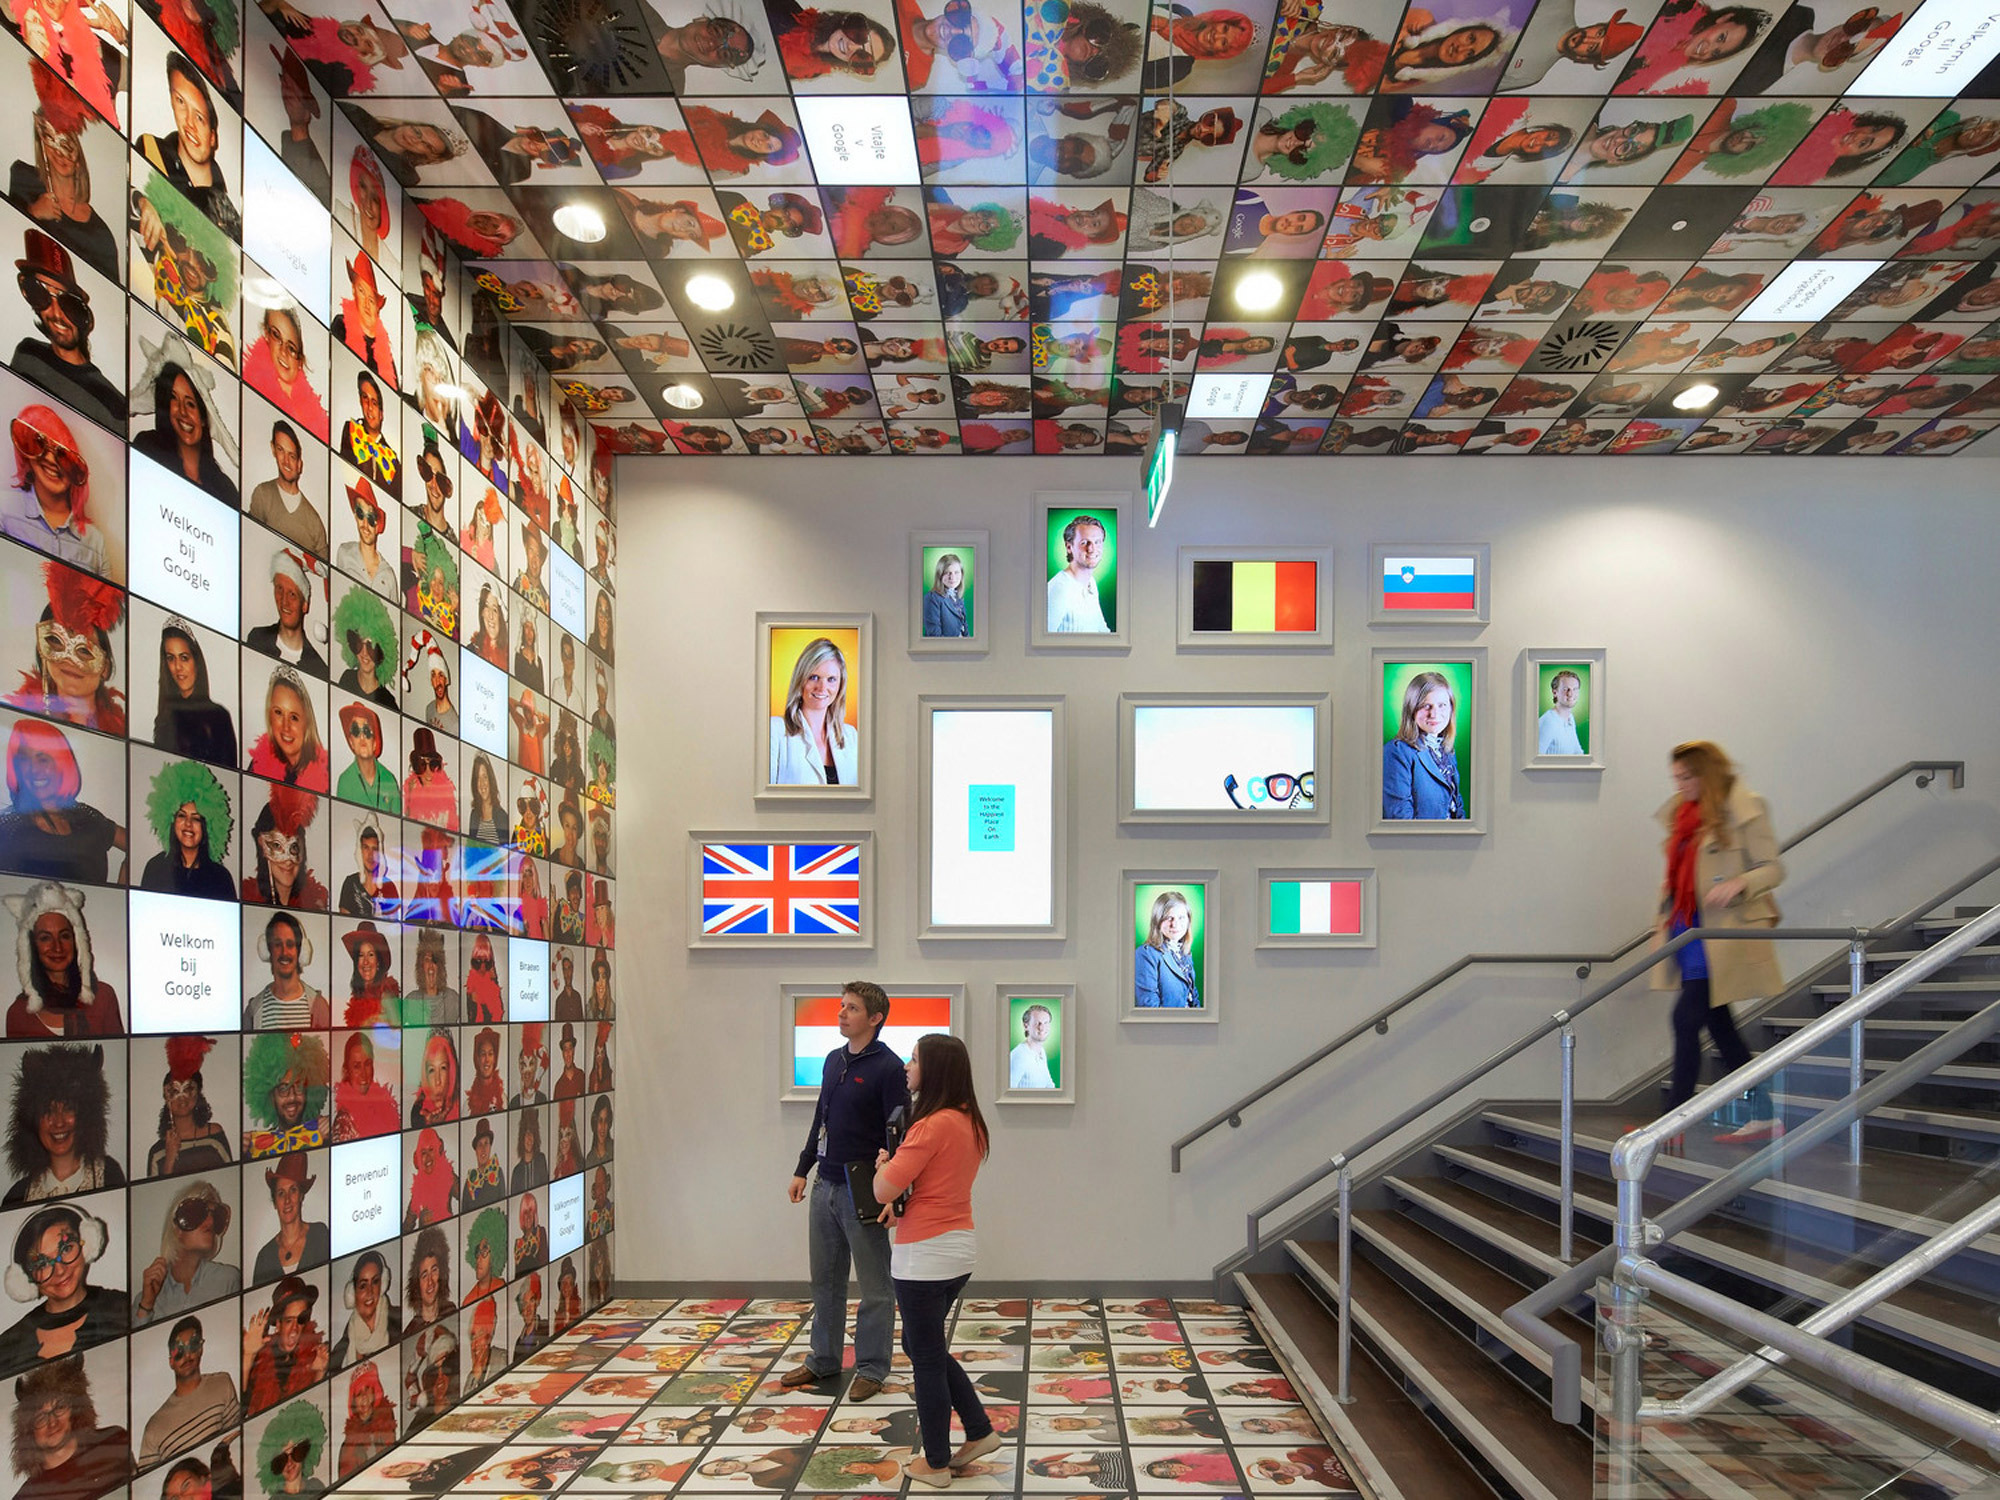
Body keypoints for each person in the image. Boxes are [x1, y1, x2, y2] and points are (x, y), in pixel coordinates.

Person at [864, 1033, 997, 1486]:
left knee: (924, 1357)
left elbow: (883, 1188)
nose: (906, 1064)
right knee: (927, 1348)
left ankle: (936, 1463)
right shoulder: (970, 1123)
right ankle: (977, 1432)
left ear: (933, 1069)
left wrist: (886, 1164)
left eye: (915, 1058)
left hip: (924, 1257)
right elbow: (932, 1183)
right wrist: (898, 1169)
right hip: (958, 1250)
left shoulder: (929, 1125)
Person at [1655, 741, 1786, 1145]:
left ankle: (1671, 1124)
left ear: (1706, 774)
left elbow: (1774, 869)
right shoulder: (1683, 814)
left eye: (1686, 776)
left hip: (1721, 933)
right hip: (1689, 929)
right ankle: (1763, 1113)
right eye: (1675, 777)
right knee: (1721, 1028)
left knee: (1684, 1019)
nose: (1679, 785)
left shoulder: (1745, 808)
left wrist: (1740, 883)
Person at [782, 981, 908, 1399]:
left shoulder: (888, 1068)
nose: (841, 1014)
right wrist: (804, 1168)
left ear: (874, 1019)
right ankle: (824, 1359)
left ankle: (872, 1367)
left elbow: (899, 1134)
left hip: (864, 1187)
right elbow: (822, 1116)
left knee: (874, 1286)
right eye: (841, 1007)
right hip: (825, 1184)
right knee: (826, 1280)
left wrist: (894, 1195)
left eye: (851, 1009)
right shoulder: (834, 1060)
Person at [10, 230, 122, 429]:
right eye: (40, 295)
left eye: (67, 302)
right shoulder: (27, 354)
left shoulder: (112, 403)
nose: (56, 313)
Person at [1, 1199, 126, 1374]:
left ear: (87, 1244)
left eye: (66, 1249)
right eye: (42, 1263)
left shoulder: (124, 1308)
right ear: (26, 1277)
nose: (59, 1270)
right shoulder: (8, 1346)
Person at [4, 879, 122, 1037]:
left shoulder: (104, 997)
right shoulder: (18, 1013)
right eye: (45, 938)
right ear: (31, 945)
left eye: (64, 936)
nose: (57, 947)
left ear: (76, 941)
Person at [8, 1354, 132, 1500]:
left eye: (59, 1408)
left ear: (75, 1409)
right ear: (28, 1429)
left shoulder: (114, 1442)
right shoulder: (28, 1497)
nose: (52, 1422)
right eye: (40, 1417)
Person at [4, 404, 107, 574]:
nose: (51, 459)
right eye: (39, 444)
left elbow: (109, 600)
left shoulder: (95, 541)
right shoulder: (3, 508)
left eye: (63, 455)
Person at [131, 1179, 238, 1329]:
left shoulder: (228, 1280)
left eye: (215, 1215)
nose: (210, 1222)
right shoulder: (144, 1298)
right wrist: (147, 1305)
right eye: (197, 1213)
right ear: (177, 1228)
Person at [137, 1314, 240, 1466]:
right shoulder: (154, 1427)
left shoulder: (222, 1384)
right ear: (171, 1361)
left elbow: (237, 1439)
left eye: (192, 1345)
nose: (187, 1355)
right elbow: (149, 1482)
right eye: (179, 1351)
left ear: (200, 1349)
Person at [134, 362, 237, 506]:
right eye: (173, 398)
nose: (183, 411)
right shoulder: (147, 448)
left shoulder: (225, 489)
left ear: (202, 419)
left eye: (190, 404)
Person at [768, 637, 858, 787]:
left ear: (840, 685)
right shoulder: (774, 731)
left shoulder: (852, 737)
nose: (822, 688)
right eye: (814, 677)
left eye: (831, 679)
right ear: (800, 680)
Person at [139, 760, 235, 899]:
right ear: (171, 820)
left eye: (196, 818)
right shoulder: (156, 868)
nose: (188, 824)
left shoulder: (221, 877)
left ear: (207, 826)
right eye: (182, 816)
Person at [151, 623, 238, 766]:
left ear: (196, 661)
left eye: (184, 657)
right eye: (171, 658)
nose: (178, 667)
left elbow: (229, 776)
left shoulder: (219, 716)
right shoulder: (164, 716)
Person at [1382, 671, 1465, 820]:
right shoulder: (1396, 752)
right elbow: (1400, 819)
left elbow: (1457, 808)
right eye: (1426, 706)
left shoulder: (1447, 751)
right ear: (1411, 709)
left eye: (1442, 705)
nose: (1434, 714)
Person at [147, 1036, 234, 1175]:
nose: (182, 1097)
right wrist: (169, 1157)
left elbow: (230, 1174)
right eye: (174, 1091)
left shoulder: (214, 1135)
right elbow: (156, 1189)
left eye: (188, 1089)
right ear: (166, 1098)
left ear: (197, 1094)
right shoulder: (157, 1152)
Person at [242, 1276, 327, 1415]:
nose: (295, 1329)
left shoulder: (312, 1353)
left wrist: (320, 1372)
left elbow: (311, 1411)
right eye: (288, 1321)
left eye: (300, 1320)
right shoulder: (260, 1356)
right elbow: (241, 1408)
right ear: (278, 1324)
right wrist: (248, 1354)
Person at [247, 423, 327, 558]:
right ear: (273, 449)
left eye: (292, 456)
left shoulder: (314, 521)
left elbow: (325, 572)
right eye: (280, 450)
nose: (286, 462)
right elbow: (250, 543)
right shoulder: (263, 494)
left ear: (299, 465)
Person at [251, 1152, 328, 1285]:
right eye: (281, 1193)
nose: (287, 1200)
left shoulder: (320, 1234)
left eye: (293, 1190)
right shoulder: (264, 1256)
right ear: (275, 1202)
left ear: (301, 1196)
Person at [244, 910, 328, 1031]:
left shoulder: (318, 1007)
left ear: (301, 951)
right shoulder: (253, 1011)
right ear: (268, 951)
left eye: (290, 944)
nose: (284, 952)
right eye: (278, 944)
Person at [329, 1251, 399, 1367]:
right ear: (352, 1293)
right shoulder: (342, 1348)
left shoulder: (400, 1321)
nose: (370, 1292)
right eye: (363, 1286)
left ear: (383, 1284)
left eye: (375, 1282)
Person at [1133, 890, 1200, 1009]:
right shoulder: (1145, 954)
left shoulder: (1184, 953)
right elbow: (1149, 1008)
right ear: (1157, 920)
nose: (1175, 924)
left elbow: (1194, 999)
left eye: (1181, 917)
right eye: (1169, 918)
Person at [1045, 513, 1110, 633]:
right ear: (1069, 547)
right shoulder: (1059, 589)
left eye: (1097, 542)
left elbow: (1102, 629)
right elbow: (1040, 642)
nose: (1092, 549)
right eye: (1084, 543)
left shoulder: (1091, 584)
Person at [335, 478, 396, 599]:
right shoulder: (344, 553)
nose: (365, 525)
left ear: (378, 525)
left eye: (371, 518)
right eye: (360, 514)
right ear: (355, 516)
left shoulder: (389, 575)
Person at [1538, 670, 1585, 755]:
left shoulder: (1570, 719)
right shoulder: (1547, 722)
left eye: (1575, 689)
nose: (1570, 694)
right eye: (1565, 689)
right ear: (1555, 692)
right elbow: (1533, 762)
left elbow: (1577, 751)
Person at [922, 553, 968, 638]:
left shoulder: (958, 596)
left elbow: (965, 629)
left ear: (962, 574)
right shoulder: (932, 598)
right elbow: (935, 637)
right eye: (947, 573)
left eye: (956, 572)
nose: (952, 577)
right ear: (940, 575)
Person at [1009, 1005, 1055, 1089]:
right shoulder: (1018, 1056)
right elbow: (1007, 1095)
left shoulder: (1041, 1051)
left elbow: (1048, 1083)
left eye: (1046, 1023)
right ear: (1026, 1026)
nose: (1042, 1028)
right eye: (1037, 1023)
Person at [511, 1108, 548, 1190]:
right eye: (527, 1134)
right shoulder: (517, 1172)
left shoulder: (541, 1160)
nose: (530, 1138)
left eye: (532, 1133)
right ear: (522, 1137)